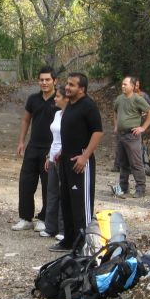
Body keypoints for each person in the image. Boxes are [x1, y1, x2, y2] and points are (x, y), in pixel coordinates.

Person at [49, 73, 103, 252]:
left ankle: (84, 244)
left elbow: (98, 133)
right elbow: (71, 132)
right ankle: (69, 241)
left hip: (80, 161)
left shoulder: (88, 106)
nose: (67, 87)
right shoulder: (70, 105)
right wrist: (61, 152)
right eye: (67, 84)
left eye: (72, 85)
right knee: (66, 201)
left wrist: (85, 156)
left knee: (81, 204)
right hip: (66, 160)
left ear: (82, 89)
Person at [12, 66, 58, 232]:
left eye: (47, 80)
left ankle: (44, 218)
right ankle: (25, 218)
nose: (44, 83)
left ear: (55, 81)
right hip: (33, 147)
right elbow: (26, 120)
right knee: (26, 183)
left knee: (48, 186)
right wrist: (21, 141)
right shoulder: (33, 99)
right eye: (41, 80)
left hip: (50, 149)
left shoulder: (60, 100)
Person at [113, 76, 150, 198]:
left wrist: (143, 127)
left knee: (136, 163)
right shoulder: (119, 99)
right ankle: (123, 187)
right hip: (121, 135)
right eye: (122, 84)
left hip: (132, 135)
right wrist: (116, 125)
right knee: (123, 162)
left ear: (132, 86)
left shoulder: (137, 99)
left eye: (125, 84)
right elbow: (115, 111)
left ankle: (140, 188)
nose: (123, 86)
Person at [41, 85, 68, 240]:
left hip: (64, 158)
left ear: (66, 98)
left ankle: (63, 229)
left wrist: (62, 154)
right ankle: (50, 227)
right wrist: (48, 156)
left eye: (58, 96)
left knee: (63, 194)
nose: (55, 99)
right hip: (52, 157)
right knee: (51, 192)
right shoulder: (57, 114)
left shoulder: (71, 115)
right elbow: (54, 139)